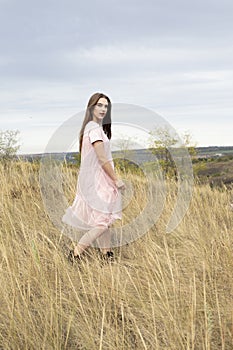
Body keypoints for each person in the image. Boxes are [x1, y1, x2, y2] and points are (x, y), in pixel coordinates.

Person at [62, 92, 126, 262]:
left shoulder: (92, 128)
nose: (103, 109)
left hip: (97, 180)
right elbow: (102, 158)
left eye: (106, 106)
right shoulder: (94, 129)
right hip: (99, 181)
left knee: (105, 220)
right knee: (102, 222)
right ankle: (75, 254)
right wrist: (116, 180)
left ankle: (106, 254)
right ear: (91, 107)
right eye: (99, 105)